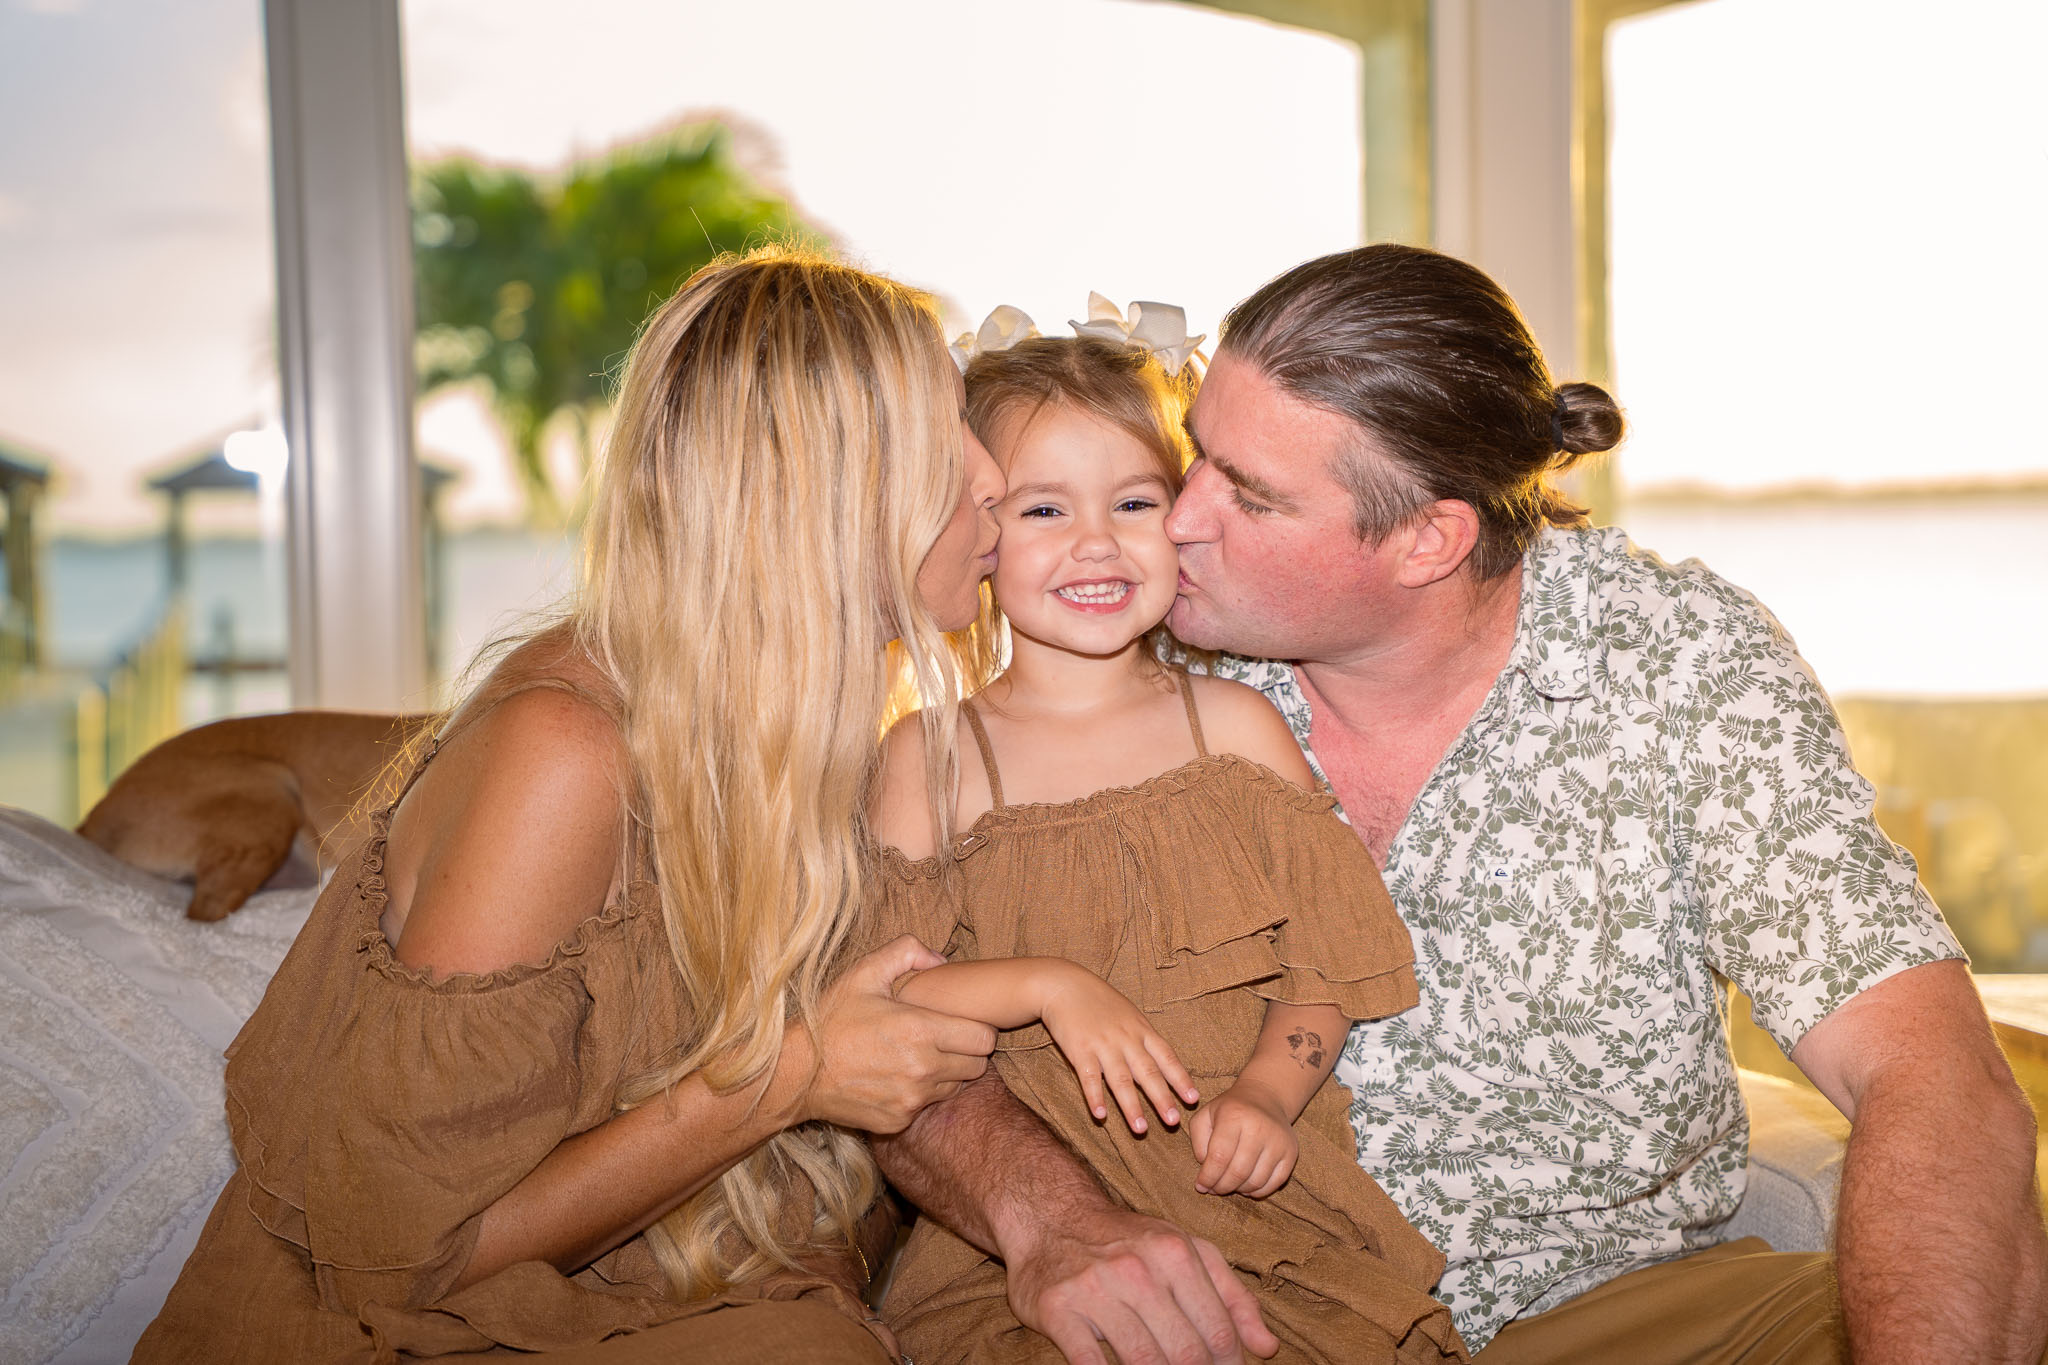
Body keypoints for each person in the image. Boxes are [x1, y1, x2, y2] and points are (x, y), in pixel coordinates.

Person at [873, 245, 2048, 1365]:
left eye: (1248, 495)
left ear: (1429, 540)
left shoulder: (1673, 664)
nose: (1174, 519)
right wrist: (1050, 1221)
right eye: (1194, 455)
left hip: (1609, 1306)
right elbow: (882, 1021)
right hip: (1236, 1295)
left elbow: (1923, 1074)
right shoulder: (1126, 653)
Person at [134, 246, 1010, 1363]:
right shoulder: (564, 754)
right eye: (947, 437)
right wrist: (789, 1076)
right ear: (816, 490)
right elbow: (398, 1261)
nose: (990, 477)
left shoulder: (804, 748)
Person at [865, 325, 1466, 1363]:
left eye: (1132, 503)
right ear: (974, 528)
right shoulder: (930, 758)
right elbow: (878, 1001)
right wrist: (1050, 985)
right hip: (1028, 1229)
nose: (1093, 543)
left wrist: (1269, 1096)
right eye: (1043, 508)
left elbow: (1325, 962)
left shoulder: (1231, 729)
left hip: (1256, 1213)